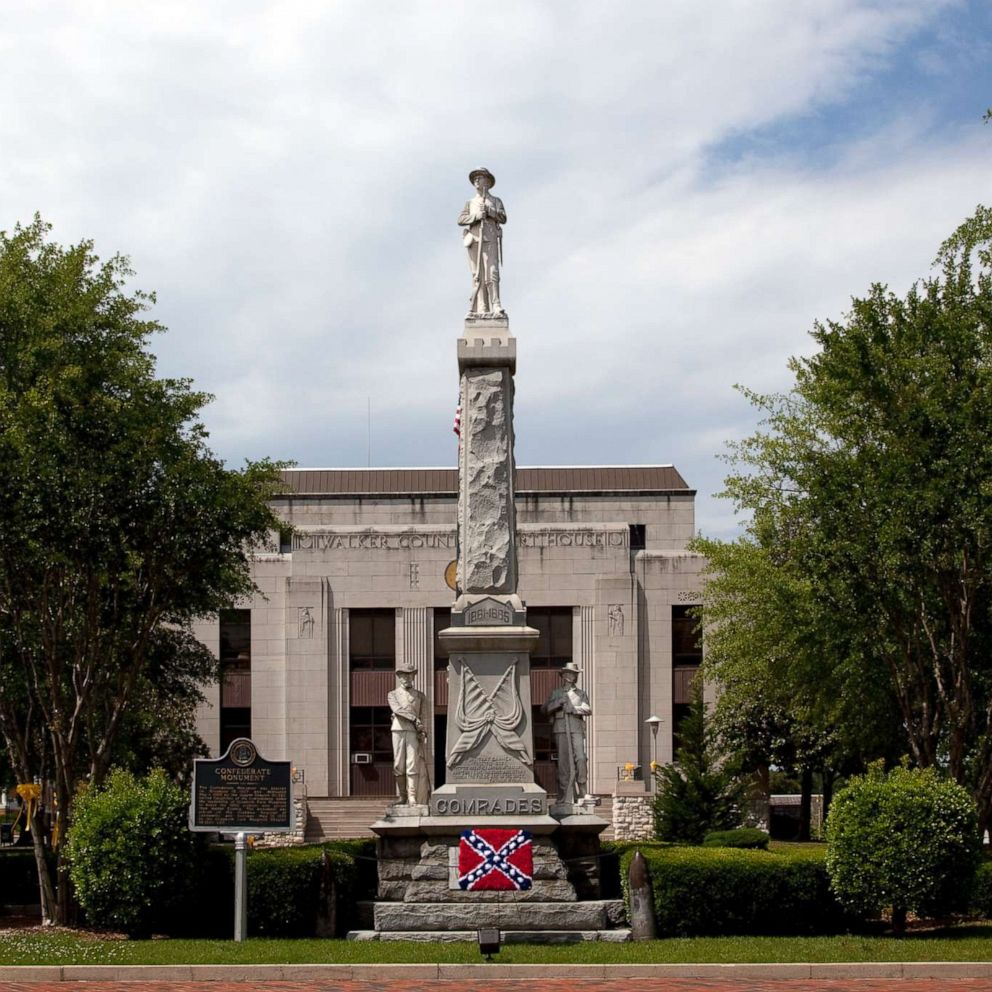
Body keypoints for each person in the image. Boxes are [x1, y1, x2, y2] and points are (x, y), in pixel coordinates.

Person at [457, 167, 507, 316]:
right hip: (475, 240)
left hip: (490, 239)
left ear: (488, 181)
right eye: (475, 179)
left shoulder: (495, 201)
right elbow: (461, 219)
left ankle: (496, 304)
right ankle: (481, 307)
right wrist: (477, 216)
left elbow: (503, 218)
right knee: (477, 275)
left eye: (480, 178)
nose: (477, 181)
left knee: (492, 273)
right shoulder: (470, 203)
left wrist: (490, 212)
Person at [542, 661, 593, 804]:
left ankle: (583, 790)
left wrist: (574, 709)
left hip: (576, 727)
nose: (573, 676)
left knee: (581, 758)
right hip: (560, 728)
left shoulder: (581, 693)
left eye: (575, 674)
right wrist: (558, 702)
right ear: (564, 675)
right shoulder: (556, 693)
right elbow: (544, 709)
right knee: (564, 762)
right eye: (570, 673)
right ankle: (565, 793)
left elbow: (588, 709)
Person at [387, 662, 430, 805]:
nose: (406, 677)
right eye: (403, 675)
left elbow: (424, 715)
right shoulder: (392, 694)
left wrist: (423, 730)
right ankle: (402, 796)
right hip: (398, 729)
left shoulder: (420, 696)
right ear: (399, 677)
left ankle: (412, 796)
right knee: (399, 764)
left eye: (409, 674)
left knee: (412, 763)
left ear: (413, 676)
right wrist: (414, 719)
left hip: (413, 732)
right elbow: (397, 710)